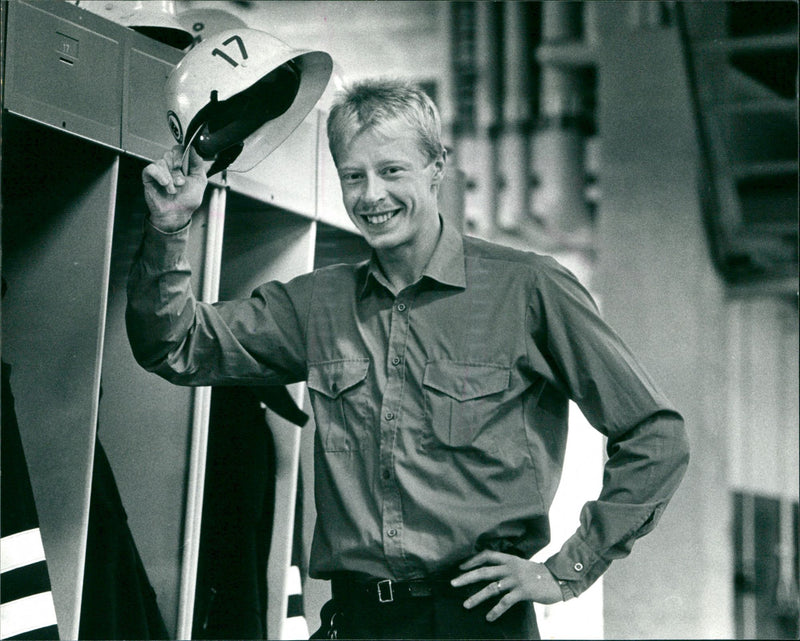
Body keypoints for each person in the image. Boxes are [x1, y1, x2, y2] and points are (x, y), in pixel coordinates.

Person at [127, 78, 690, 640]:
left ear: (437, 166)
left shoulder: (529, 289)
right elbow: (174, 345)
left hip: (478, 622)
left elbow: (655, 435)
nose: (371, 195)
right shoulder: (320, 303)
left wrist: (565, 570)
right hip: (357, 620)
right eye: (354, 175)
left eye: (391, 170)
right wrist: (170, 225)